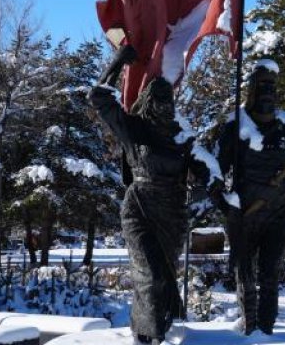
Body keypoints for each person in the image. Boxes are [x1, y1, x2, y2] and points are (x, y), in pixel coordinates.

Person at [90, 45, 221, 344]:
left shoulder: (181, 136)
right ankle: (150, 337)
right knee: (149, 273)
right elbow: (98, 97)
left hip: (172, 214)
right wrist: (119, 62)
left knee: (164, 277)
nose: (164, 104)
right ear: (149, 100)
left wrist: (208, 191)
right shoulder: (134, 129)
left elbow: (205, 167)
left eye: (168, 98)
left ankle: (157, 328)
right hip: (139, 207)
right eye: (159, 98)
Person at [217, 60, 285, 336]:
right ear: (250, 89)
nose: (267, 92)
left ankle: (266, 331)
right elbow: (216, 172)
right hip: (245, 216)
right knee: (245, 275)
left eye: (271, 87)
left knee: (270, 275)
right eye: (261, 85)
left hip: (277, 216)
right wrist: (221, 204)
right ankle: (249, 329)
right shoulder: (235, 129)